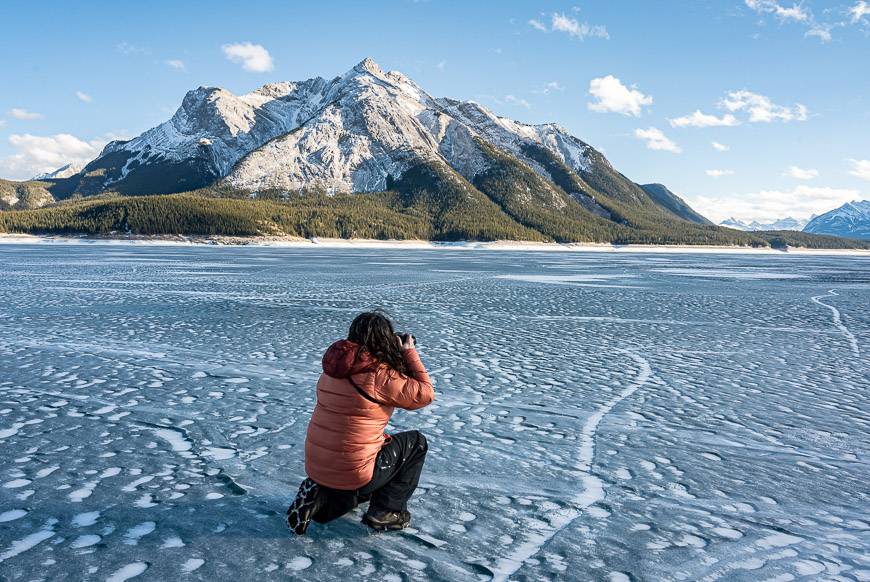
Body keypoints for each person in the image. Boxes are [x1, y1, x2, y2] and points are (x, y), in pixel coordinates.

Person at [287, 311, 435, 534]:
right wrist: (408, 353)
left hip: (318, 465)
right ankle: (386, 513)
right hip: (353, 471)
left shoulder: (334, 370)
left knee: (375, 447)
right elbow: (425, 394)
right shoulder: (379, 375)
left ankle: (322, 497)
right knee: (415, 443)